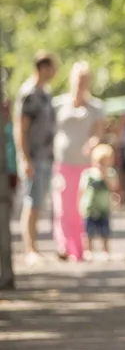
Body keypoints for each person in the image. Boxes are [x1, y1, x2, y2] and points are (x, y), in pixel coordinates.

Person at [52, 62, 106, 262]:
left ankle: (80, 248)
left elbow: (99, 133)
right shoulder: (58, 103)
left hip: (85, 164)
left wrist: (92, 144)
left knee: (81, 206)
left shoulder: (96, 107)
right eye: (78, 79)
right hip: (63, 162)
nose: (81, 83)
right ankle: (64, 245)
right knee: (63, 207)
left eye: (84, 79)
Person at [13, 51, 59, 263]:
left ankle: (34, 246)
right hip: (33, 156)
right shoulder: (30, 94)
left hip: (46, 156)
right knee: (31, 201)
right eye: (52, 67)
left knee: (39, 201)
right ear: (43, 68)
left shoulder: (45, 93)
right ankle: (29, 249)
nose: (55, 71)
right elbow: (21, 128)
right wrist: (24, 158)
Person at [80, 143, 119, 259]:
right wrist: (80, 204)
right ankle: (88, 250)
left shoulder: (111, 174)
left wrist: (105, 177)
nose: (101, 165)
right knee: (88, 231)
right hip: (90, 208)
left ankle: (105, 250)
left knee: (105, 231)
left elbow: (114, 187)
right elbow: (81, 190)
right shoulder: (88, 174)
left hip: (104, 208)